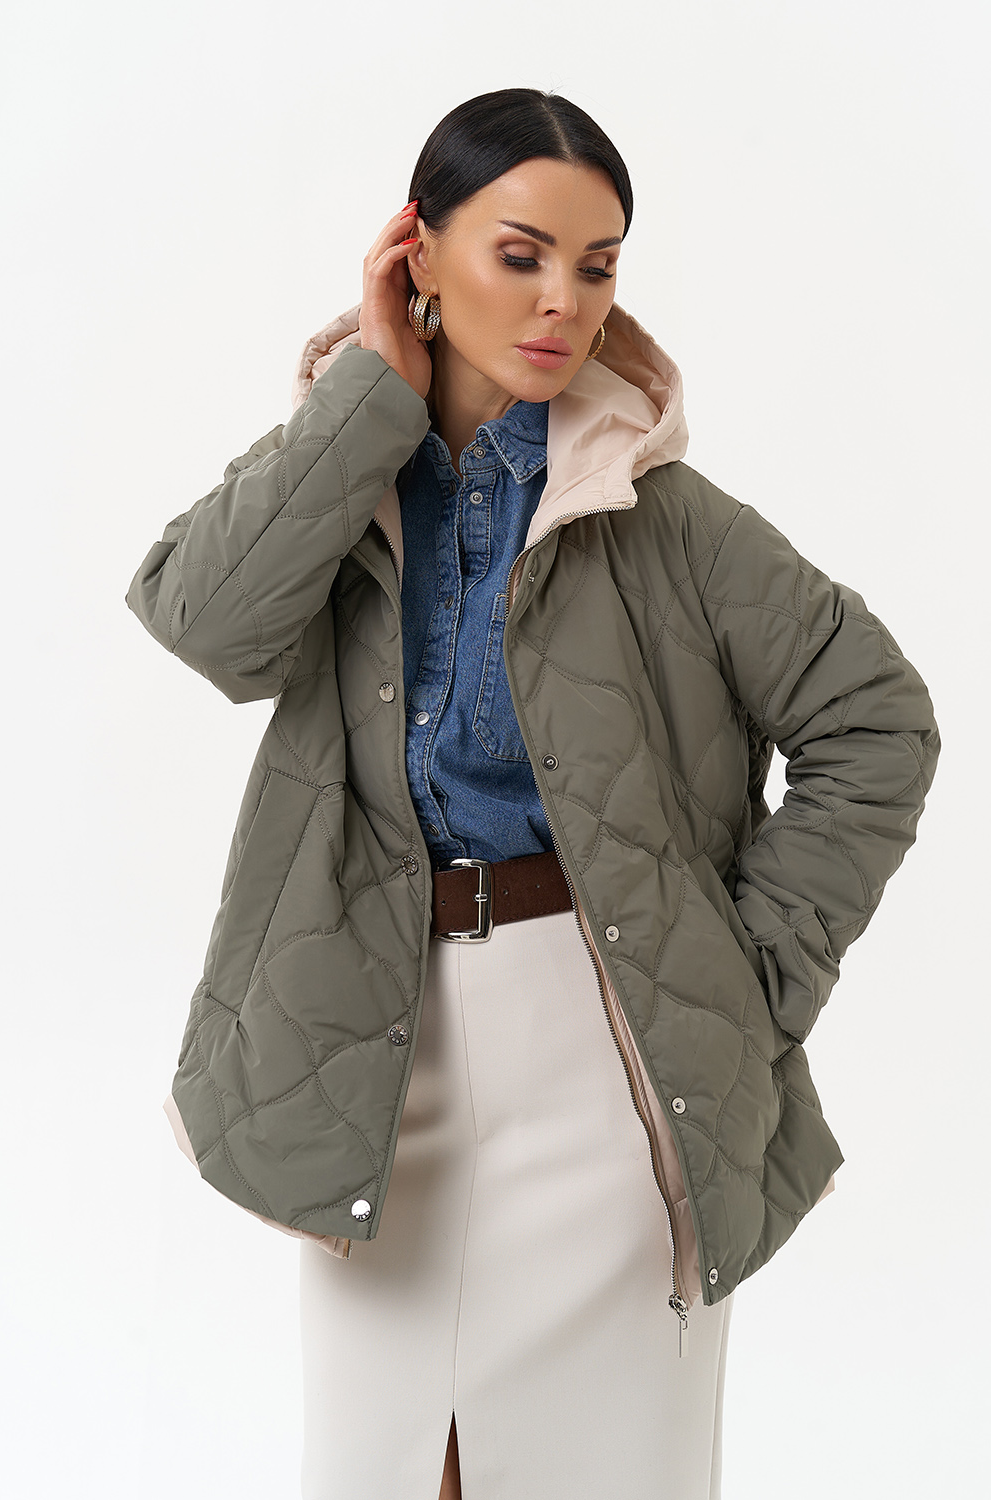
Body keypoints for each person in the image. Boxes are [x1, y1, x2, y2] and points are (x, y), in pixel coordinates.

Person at [125, 88, 940, 1500]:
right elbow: (203, 624)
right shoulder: (344, 481)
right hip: (376, 1051)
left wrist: (750, 980)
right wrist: (367, 398)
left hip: (605, 1057)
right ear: (419, 255)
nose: (565, 299)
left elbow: (879, 721)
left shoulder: (663, 516)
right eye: (521, 254)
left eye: (598, 264)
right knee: (387, 1468)